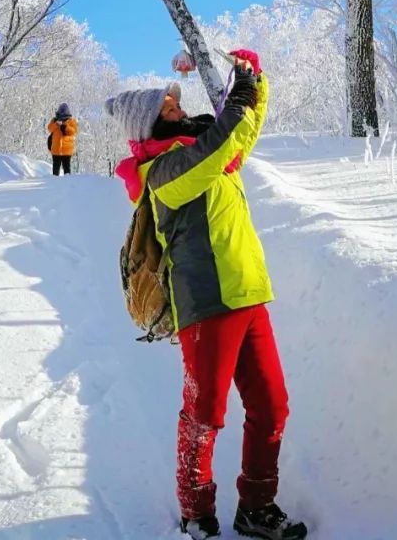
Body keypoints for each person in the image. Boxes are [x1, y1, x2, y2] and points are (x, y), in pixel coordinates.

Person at [105, 52, 307, 540]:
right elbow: (220, 143)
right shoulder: (166, 172)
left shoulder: (202, 149)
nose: (179, 107)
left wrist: (254, 84)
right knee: (206, 412)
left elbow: (239, 136)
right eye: (169, 107)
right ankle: (196, 510)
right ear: (150, 125)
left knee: (272, 404)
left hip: (247, 292)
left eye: (175, 101)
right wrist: (234, 100)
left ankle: (257, 506)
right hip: (207, 300)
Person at [47, 102, 77, 176]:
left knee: (67, 168)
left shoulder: (71, 121)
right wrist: (56, 124)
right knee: (55, 169)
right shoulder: (54, 120)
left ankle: (68, 184)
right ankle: (54, 182)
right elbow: (49, 128)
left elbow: (73, 131)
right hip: (56, 149)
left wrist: (65, 126)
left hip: (67, 150)